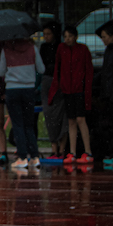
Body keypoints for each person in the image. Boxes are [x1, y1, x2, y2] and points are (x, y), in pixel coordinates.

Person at [0, 38, 46, 169]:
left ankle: (22, 157)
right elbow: (41, 69)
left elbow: (1, 71)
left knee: (17, 124)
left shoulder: (6, 50)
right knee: (29, 124)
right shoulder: (32, 48)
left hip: (12, 89)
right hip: (29, 89)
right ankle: (34, 156)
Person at [50, 25, 94, 164]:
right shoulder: (61, 49)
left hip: (79, 89)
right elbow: (58, 67)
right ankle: (73, 152)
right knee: (71, 121)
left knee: (81, 119)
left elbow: (88, 69)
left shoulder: (83, 49)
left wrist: (85, 87)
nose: (67, 39)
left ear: (75, 37)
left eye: (70, 36)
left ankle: (88, 151)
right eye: (65, 36)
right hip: (67, 90)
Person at [95, 21, 113, 165]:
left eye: (105, 36)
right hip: (108, 93)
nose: (103, 40)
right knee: (112, 124)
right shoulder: (109, 50)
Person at [40, 21, 68, 159]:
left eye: (48, 34)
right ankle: (54, 147)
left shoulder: (60, 48)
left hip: (59, 82)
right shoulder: (44, 47)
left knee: (62, 115)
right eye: (44, 34)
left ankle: (61, 149)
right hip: (48, 82)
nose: (46, 37)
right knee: (50, 115)